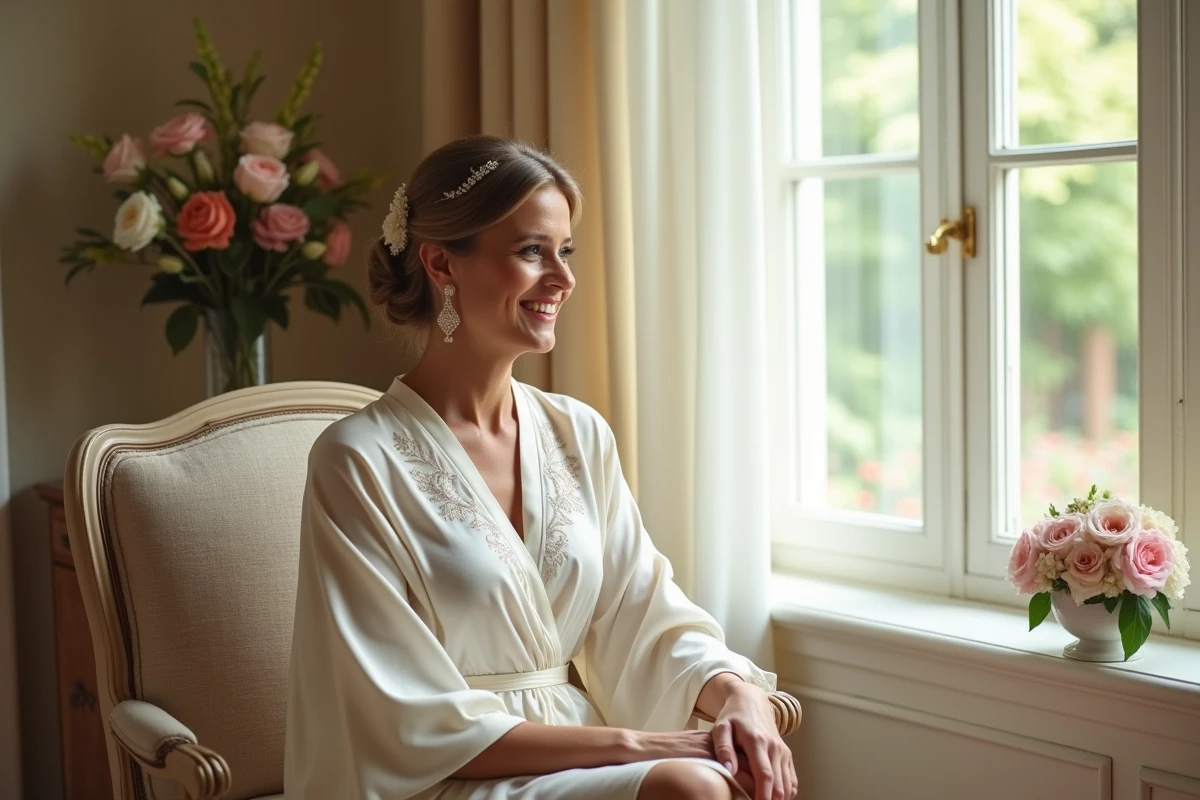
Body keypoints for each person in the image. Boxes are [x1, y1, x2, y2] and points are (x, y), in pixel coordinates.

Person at [284, 135, 797, 800]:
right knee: (689, 786)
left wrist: (740, 696)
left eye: (566, 252)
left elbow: (644, 616)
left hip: (574, 761)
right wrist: (647, 745)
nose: (563, 278)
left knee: (706, 776)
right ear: (442, 263)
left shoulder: (576, 434)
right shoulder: (357, 462)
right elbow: (398, 714)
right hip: (437, 777)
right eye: (532, 252)